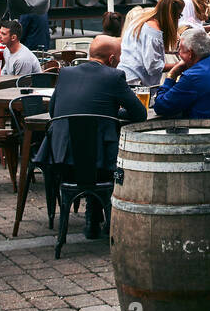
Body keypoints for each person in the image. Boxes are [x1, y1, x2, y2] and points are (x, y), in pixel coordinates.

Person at [39, 35, 147, 238]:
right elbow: (139, 114)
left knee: (90, 151)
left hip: (61, 160)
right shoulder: (114, 76)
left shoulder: (66, 74)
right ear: (113, 58)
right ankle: (100, 218)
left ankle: (92, 218)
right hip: (101, 164)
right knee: (104, 155)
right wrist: (113, 114)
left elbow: (54, 111)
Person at [119, 0, 183, 87]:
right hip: (136, 82)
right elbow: (153, 67)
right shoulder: (153, 32)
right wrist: (180, 65)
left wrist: (173, 52)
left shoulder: (141, 20)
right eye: (179, 15)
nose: (179, 18)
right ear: (172, 15)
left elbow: (144, 50)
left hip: (125, 75)